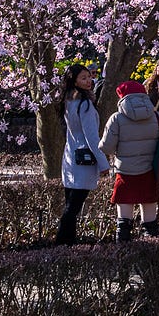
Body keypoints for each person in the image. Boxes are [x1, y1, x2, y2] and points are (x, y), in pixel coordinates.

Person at [99, 79, 159, 240]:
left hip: (125, 172)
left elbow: (106, 148)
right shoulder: (157, 117)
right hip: (151, 171)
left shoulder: (116, 118)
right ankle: (151, 256)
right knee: (150, 222)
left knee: (123, 222)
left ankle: (123, 254)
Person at [56, 63, 109, 245]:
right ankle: (62, 242)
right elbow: (92, 138)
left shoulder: (68, 101)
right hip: (83, 161)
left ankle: (67, 243)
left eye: (89, 77)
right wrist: (104, 164)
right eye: (83, 78)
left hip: (70, 158)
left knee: (70, 205)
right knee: (73, 207)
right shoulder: (85, 104)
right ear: (74, 81)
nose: (89, 81)